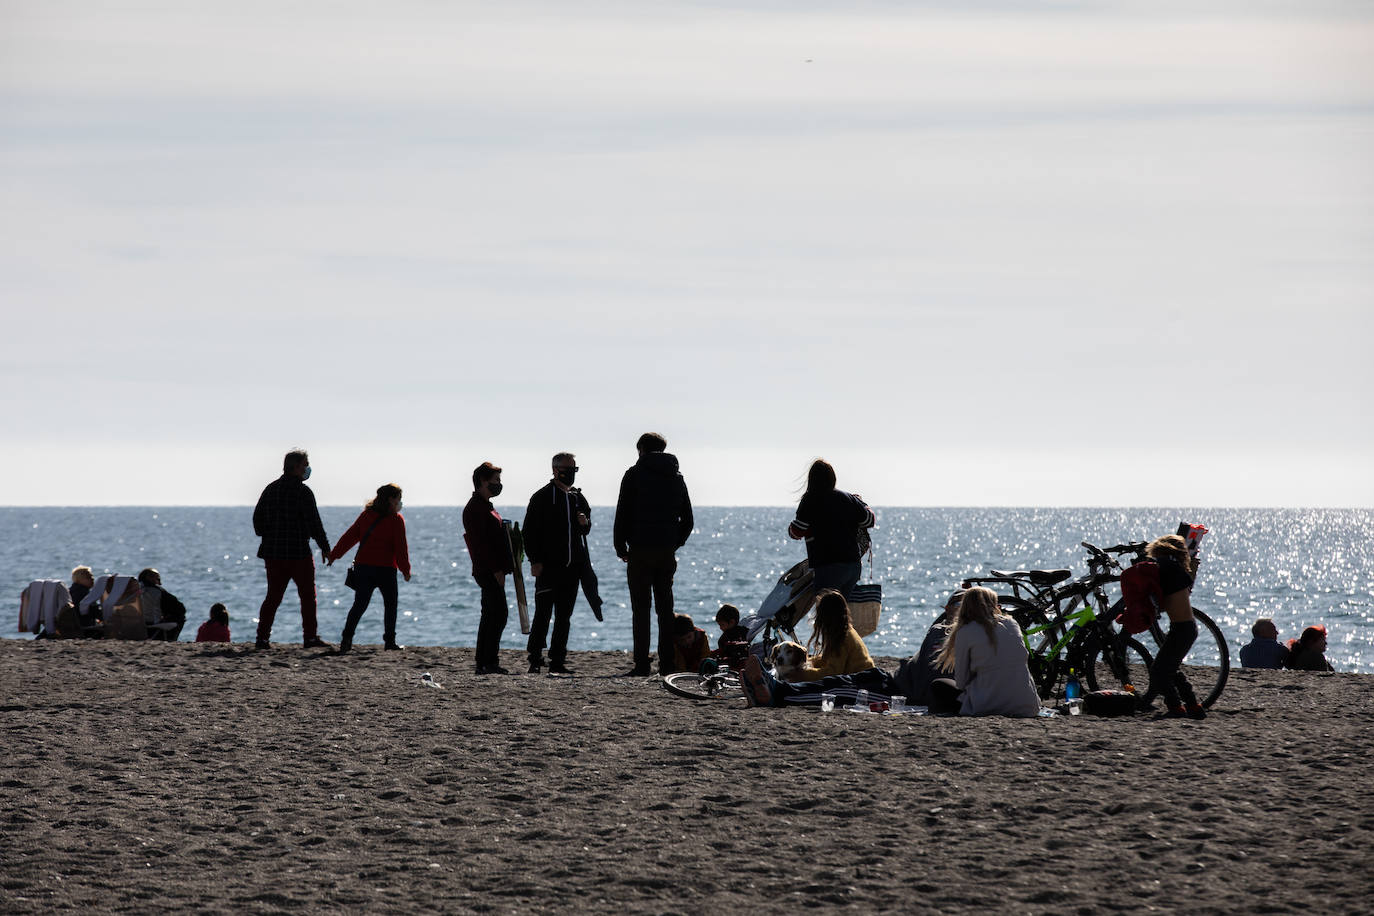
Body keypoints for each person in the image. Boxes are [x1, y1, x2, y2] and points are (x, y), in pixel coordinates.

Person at [613, 432, 694, 676]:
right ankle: (666, 664)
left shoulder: (633, 475)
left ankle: (641, 664)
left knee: (641, 609)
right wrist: (674, 543)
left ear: (641, 450)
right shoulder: (676, 477)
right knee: (665, 609)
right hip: (665, 551)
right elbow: (688, 520)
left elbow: (622, 513)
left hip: (639, 549)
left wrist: (620, 547)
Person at [252, 448, 332, 649]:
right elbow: (315, 523)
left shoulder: (271, 489)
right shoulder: (303, 492)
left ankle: (262, 638)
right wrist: (325, 547)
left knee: (273, 597)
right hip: (298, 553)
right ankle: (310, 637)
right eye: (305, 465)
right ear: (296, 467)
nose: (307, 468)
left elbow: (257, 521)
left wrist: (269, 534)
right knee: (307, 597)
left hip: (273, 553)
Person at [522, 453, 591, 674]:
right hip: (548, 567)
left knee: (564, 616)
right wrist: (535, 561)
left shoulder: (577, 497)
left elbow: (585, 529)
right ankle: (534, 658)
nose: (571, 473)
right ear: (555, 470)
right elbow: (528, 532)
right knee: (543, 613)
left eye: (574, 469)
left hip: (573, 567)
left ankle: (558, 660)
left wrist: (584, 522)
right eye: (567, 469)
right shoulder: (542, 497)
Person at [928, 586, 1040, 717]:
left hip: (987, 706)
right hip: (1027, 705)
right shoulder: (1012, 624)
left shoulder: (966, 631)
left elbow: (962, 682)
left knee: (938, 685)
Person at [328, 483, 412, 653]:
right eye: (398, 499)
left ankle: (346, 639)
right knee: (390, 605)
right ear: (391, 499)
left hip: (364, 568)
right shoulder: (396, 520)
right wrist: (405, 570)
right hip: (386, 570)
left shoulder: (367, 515)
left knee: (359, 604)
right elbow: (401, 548)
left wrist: (334, 555)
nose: (400, 503)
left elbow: (350, 537)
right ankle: (390, 642)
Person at [1139, 534, 1207, 719]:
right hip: (1184, 628)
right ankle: (1193, 706)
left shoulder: (1168, 570)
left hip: (1182, 630)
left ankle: (1176, 706)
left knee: (1159, 672)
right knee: (1171, 670)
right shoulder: (1177, 571)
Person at [787, 459, 876, 600]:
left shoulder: (810, 500)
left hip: (828, 567)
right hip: (852, 566)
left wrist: (791, 529)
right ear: (832, 478)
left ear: (811, 479)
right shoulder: (848, 498)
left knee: (826, 615)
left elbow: (797, 531)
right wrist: (862, 504)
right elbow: (870, 520)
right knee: (841, 613)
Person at [464, 462, 513, 675]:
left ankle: (484, 661)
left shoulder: (486, 506)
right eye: (496, 481)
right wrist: (496, 570)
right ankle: (488, 661)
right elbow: (482, 543)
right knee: (498, 614)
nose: (499, 485)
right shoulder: (476, 508)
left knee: (491, 614)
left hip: (491, 569)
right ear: (483, 482)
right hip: (488, 570)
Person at [795, 589, 875, 680]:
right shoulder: (845, 631)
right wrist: (807, 662)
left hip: (864, 681)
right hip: (865, 676)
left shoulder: (843, 639)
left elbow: (832, 673)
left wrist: (802, 674)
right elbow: (827, 659)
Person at [138, 568, 187, 641]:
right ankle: (170, 639)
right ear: (150, 578)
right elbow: (180, 608)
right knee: (180, 617)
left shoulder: (133, 590)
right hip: (151, 624)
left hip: (136, 623)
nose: (159, 583)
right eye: (158, 579)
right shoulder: (158, 592)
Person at [712, 604, 750, 668]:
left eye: (722, 624)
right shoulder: (744, 631)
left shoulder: (725, 637)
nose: (720, 628)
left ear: (732, 622)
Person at [69, 566, 101, 630]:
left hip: (73, 625)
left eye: (92, 576)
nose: (92, 579)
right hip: (84, 626)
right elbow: (93, 611)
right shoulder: (83, 593)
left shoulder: (71, 591)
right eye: (88, 577)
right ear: (78, 580)